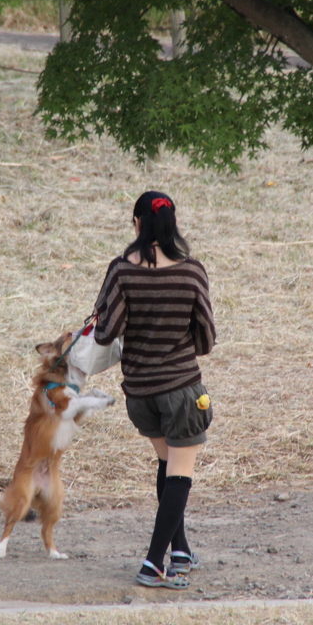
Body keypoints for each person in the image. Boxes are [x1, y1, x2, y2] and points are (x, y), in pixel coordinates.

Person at [92, 191, 216, 589]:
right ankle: (153, 564)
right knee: (180, 473)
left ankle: (180, 551)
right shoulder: (192, 271)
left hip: (139, 392)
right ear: (172, 224)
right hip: (181, 390)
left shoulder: (120, 271)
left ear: (137, 224)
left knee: (167, 464)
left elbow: (106, 333)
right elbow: (207, 339)